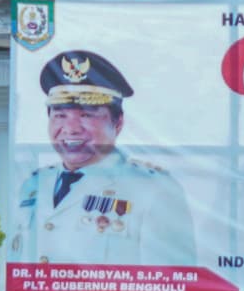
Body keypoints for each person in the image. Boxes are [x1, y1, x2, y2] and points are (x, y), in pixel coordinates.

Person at [12, 50, 204, 272]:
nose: (71, 128)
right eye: (60, 115)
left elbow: (175, 281)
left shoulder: (153, 188)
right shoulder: (34, 184)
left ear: (118, 123)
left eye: (86, 115)